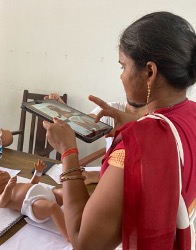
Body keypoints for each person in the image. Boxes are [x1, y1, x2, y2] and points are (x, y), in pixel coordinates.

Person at [43, 11, 196, 249]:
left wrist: (68, 152)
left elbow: (84, 242)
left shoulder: (136, 146)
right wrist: (137, 124)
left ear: (149, 72)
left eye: (123, 66)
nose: (121, 76)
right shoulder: (191, 114)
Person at [44, 95, 146, 184]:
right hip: (109, 183)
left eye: (126, 71)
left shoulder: (158, 122)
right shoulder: (112, 109)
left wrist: (98, 176)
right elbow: (83, 124)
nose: (121, 76)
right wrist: (63, 111)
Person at [0, 159, 69, 241]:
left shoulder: (16, 185)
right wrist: (8, 187)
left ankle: (82, 206)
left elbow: (32, 183)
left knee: (68, 191)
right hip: (33, 204)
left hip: (49, 193)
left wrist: (37, 172)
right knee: (52, 207)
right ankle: (68, 235)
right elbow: (3, 202)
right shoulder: (0, 197)